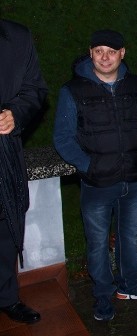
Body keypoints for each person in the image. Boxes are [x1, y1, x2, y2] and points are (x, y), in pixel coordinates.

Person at [53, 29, 137, 322]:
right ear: (90, 53)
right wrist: (88, 167)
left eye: (111, 51)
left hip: (136, 180)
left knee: (129, 237)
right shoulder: (72, 90)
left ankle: (130, 285)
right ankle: (102, 295)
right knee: (98, 242)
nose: (105, 57)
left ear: (122, 54)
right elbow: (63, 138)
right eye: (99, 50)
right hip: (97, 183)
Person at [0, 19, 47, 325]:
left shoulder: (16, 36)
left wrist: (15, 114)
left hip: (3, 155)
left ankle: (6, 297)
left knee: (5, 225)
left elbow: (35, 90)